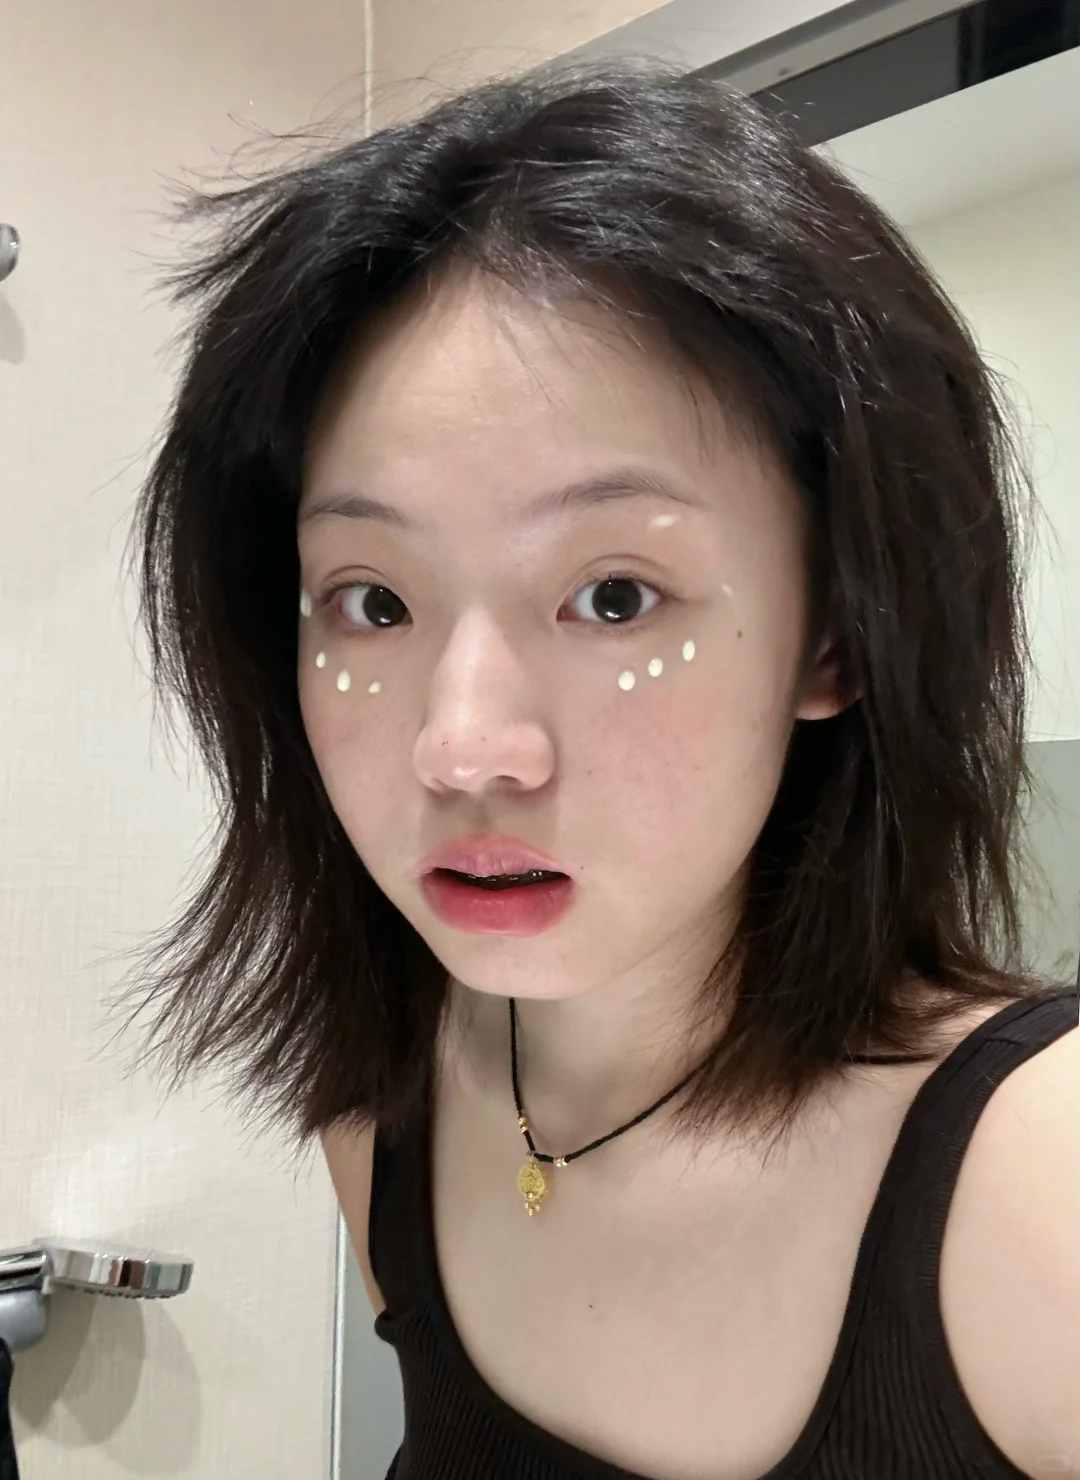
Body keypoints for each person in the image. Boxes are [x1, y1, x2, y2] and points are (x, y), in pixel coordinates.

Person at [125, 60, 1078, 1480]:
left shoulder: (1042, 1188)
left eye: (615, 596)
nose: (464, 745)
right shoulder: (383, 1118)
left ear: (837, 632)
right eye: (372, 602)